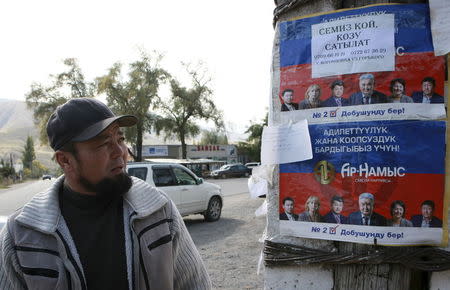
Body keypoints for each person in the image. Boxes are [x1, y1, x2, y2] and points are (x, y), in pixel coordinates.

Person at [0, 98, 211, 289]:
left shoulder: (158, 211)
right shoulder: (22, 233)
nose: (120, 152)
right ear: (65, 160)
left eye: (119, 139)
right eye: (103, 143)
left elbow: (196, 285)